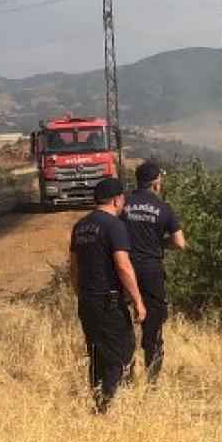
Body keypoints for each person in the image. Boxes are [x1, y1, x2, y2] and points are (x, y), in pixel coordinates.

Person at [69, 177, 146, 413]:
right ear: (116, 199)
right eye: (122, 198)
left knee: (97, 354)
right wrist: (138, 301)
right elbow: (123, 266)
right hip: (108, 302)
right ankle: (108, 409)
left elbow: (73, 267)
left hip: (87, 301)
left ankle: (98, 401)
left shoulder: (80, 226)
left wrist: (81, 293)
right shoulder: (114, 226)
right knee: (121, 352)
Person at [121, 161, 186, 382]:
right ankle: (152, 379)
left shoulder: (123, 204)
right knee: (153, 326)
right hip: (151, 272)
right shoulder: (163, 208)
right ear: (156, 182)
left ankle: (124, 374)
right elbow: (179, 243)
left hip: (123, 269)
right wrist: (159, 243)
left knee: (122, 323)